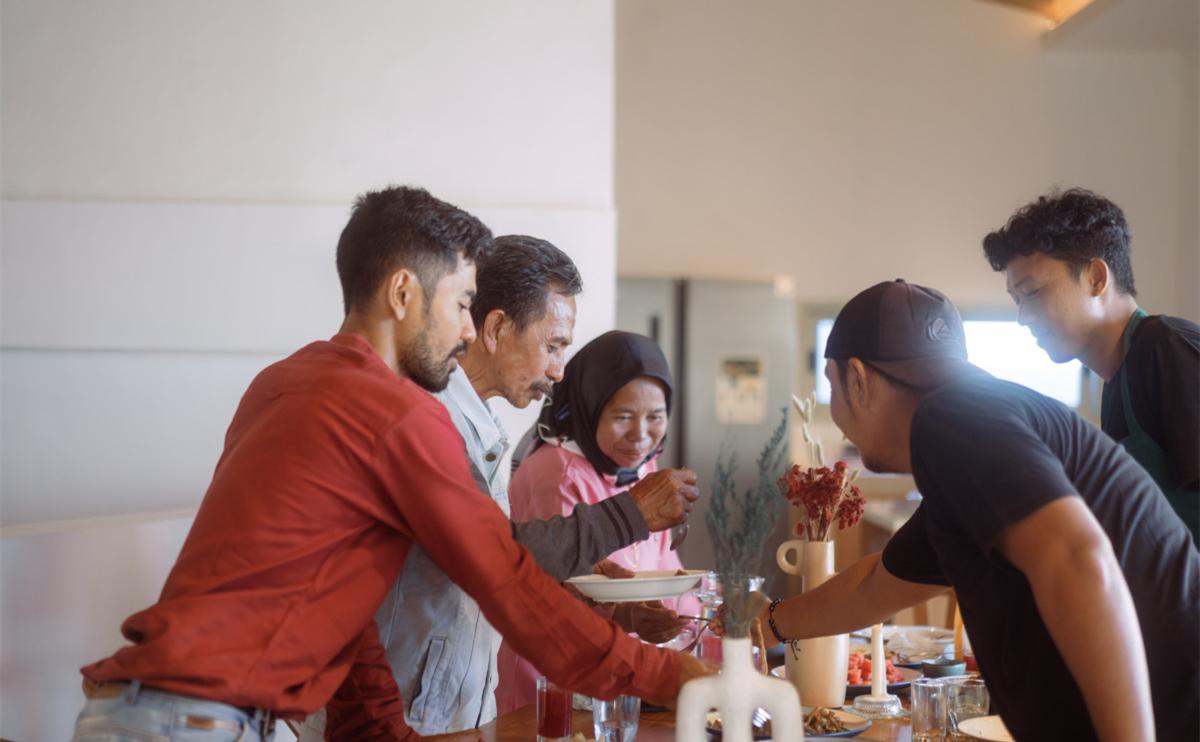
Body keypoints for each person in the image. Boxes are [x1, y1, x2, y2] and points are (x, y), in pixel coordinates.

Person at [71, 186, 708, 741]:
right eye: (460, 304)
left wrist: (381, 729)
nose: (467, 331)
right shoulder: (398, 412)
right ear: (403, 293)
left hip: (135, 712)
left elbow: (337, 599)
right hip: (198, 721)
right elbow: (508, 583)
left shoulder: (282, 382)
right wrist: (674, 677)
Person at [744, 279, 1197, 741]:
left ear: (857, 379)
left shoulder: (952, 418)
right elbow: (876, 585)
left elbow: (1080, 560)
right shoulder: (972, 425)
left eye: (831, 383)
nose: (837, 416)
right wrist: (766, 623)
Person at [298, 236, 699, 737]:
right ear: (495, 328)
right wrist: (631, 513)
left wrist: (594, 595)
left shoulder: (480, 421)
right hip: (392, 721)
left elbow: (492, 559)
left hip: (448, 714)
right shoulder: (420, 416)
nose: (558, 372)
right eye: (553, 346)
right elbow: (499, 563)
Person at [982, 188, 1199, 543]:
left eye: (1033, 292)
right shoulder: (1115, 384)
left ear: (1096, 278)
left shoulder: (1166, 347)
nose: (1023, 317)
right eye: (1016, 300)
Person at [497, 331, 696, 714]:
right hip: (552, 689)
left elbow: (668, 571)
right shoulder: (557, 474)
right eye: (623, 416)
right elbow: (555, 597)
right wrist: (628, 617)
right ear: (588, 409)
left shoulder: (643, 469)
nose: (641, 435)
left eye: (655, 417)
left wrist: (703, 620)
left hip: (622, 679)